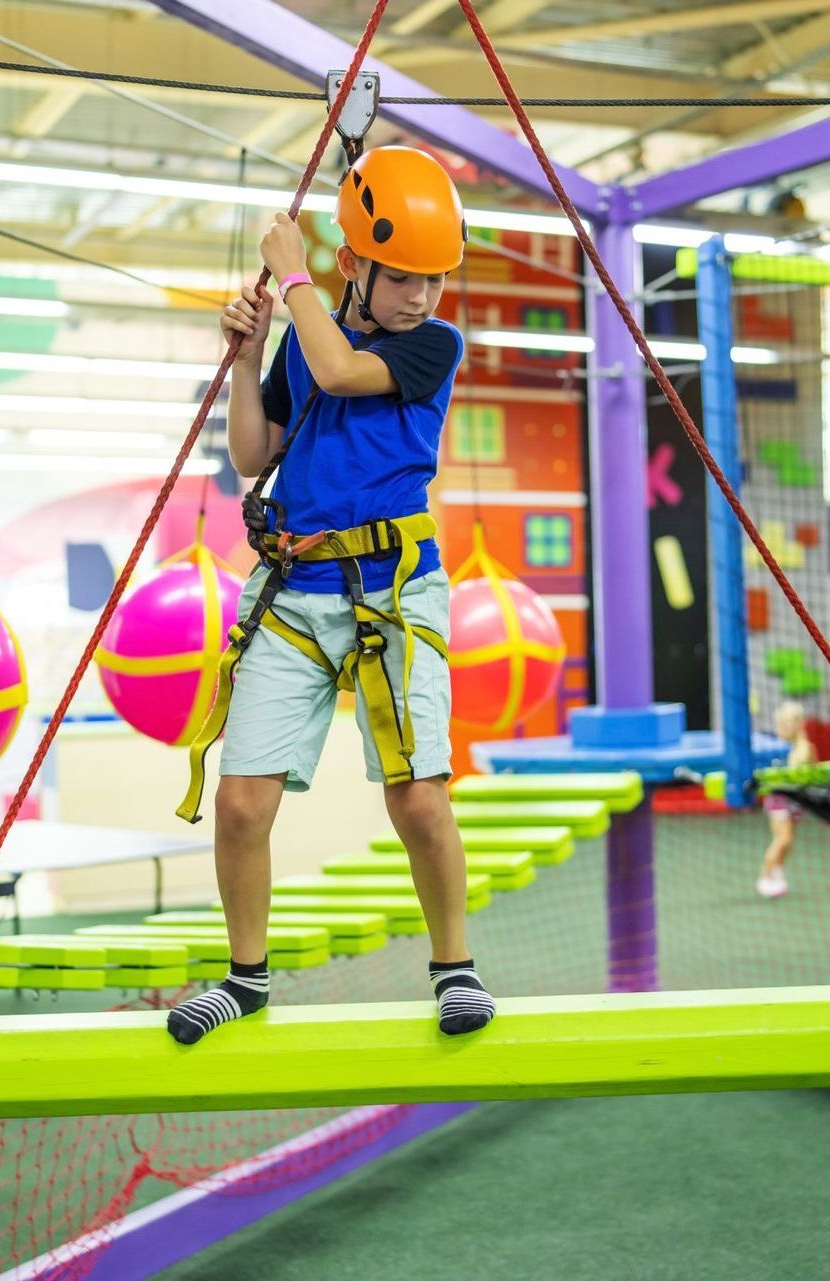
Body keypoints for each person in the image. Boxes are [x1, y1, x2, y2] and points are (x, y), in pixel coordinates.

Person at [166, 146, 494, 1045]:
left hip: (392, 587)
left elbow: (348, 370)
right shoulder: (310, 337)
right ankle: (245, 976)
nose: (421, 296)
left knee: (417, 796)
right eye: (402, 278)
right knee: (240, 801)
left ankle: (454, 966)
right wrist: (245, 351)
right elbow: (250, 451)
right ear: (357, 264)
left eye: (433, 279)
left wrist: (293, 280)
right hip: (292, 586)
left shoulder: (432, 344)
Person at [756, 700, 818, 899]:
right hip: (779, 800)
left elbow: (812, 770)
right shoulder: (782, 748)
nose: (780, 730)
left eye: (784, 725)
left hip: (795, 800)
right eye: (779, 725)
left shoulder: (805, 748)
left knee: (788, 840)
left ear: (797, 724)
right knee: (783, 838)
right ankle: (764, 877)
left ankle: (777, 872)